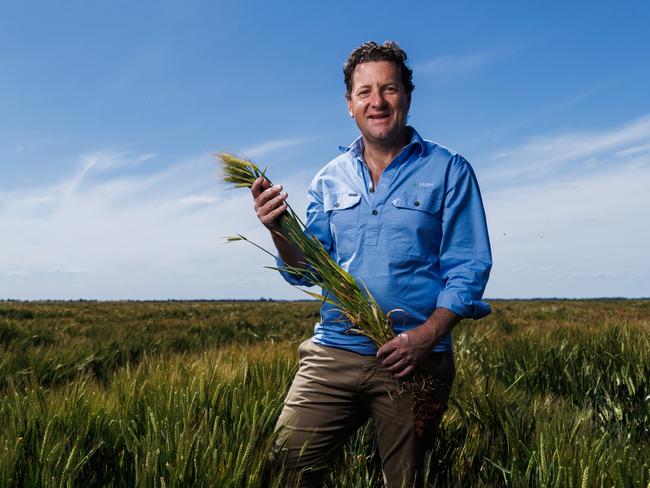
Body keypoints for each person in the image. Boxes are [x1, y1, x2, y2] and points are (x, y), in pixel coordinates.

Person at [251, 41, 492, 487]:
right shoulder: (329, 177)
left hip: (413, 360)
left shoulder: (449, 170)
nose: (377, 102)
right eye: (364, 92)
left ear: (408, 95)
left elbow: (468, 267)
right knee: (283, 471)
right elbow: (307, 270)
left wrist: (424, 338)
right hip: (334, 351)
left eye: (389, 89)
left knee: (404, 482)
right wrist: (278, 229)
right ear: (349, 104)